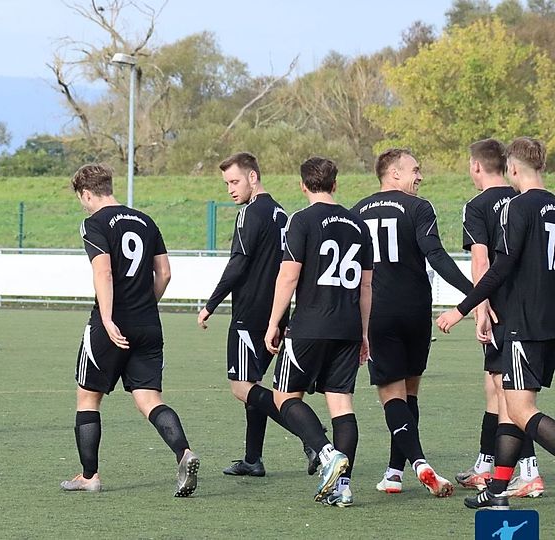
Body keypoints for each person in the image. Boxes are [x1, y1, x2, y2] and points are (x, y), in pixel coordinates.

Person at [61, 163, 200, 497]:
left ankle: (89, 476)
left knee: (88, 397)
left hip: (113, 324)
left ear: (87, 193)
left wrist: (108, 319)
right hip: (149, 323)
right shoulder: (145, 221)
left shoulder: (93, 223)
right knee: (150, 399)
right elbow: (164, 273)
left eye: (82, 198)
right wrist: (145, 304)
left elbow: (104, 272)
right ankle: (184, 452)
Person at [437, 137, 555, 510]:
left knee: (520, 409)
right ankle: (498, 488)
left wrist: (462, 308)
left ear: (514, 168)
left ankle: (504, 484)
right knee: (510, 405)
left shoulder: (517, 208)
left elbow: (500, 266)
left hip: (524, 322)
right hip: (548, 320)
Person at [351, 148, 471, 498]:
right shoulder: (419, 207)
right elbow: (436, 255)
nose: (420, 176)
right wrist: (474, 292)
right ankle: (392, 473)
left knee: (392, 396)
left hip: (378, 313)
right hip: (417, 311)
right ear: (393, 173)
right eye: (414, 170)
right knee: (410, 393)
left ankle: (417, 463)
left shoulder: (357, 211)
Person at [196, 152, 317, 477]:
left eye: (235, 181)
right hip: (275, 314)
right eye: (226, 184)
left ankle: (314, 440)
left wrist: (210, 304)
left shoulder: (251, 213)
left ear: (253, 177)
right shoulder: (283, 214)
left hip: (248, 315)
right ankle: (253, 459)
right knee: (254, 383)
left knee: (240, 387)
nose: (231, 189)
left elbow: (238, 263)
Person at [264, 157, 373, 507]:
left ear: (303, 185)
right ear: (335, 184)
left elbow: (289, 275)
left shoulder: (302, 219)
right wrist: (365, 333)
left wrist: (273, 322)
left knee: (284, 397)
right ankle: (343, 488)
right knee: (341, 404)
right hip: (349, 326)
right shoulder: (358, 224)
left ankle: (326, 454)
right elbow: (368, 286)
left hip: (311, 324)